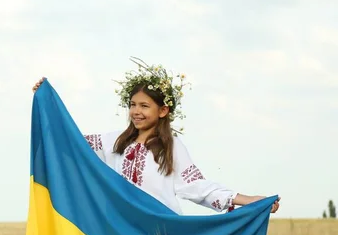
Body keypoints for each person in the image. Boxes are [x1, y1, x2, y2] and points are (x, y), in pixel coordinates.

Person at [31, 60, 280, 215]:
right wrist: (46, 104)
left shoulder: (172, 148)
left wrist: (248, 200)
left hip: (159, 229)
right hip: (121, 228)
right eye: (132, 104)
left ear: (163, 110)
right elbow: (71, 142)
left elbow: (197, 187)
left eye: (144, 106)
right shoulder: (115, 142)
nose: (136, 111)